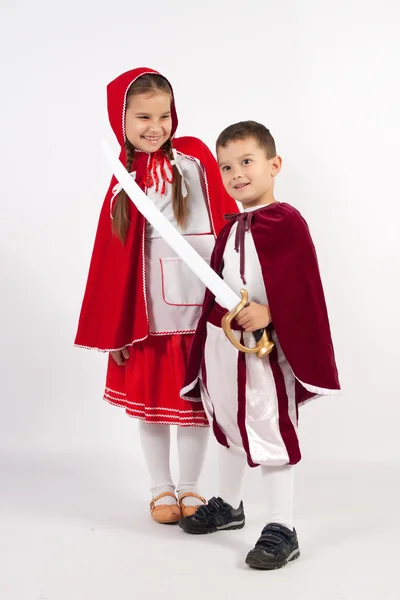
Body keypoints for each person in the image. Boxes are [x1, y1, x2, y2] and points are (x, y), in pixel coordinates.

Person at [74, 68, 238, 524]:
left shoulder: (196, 158)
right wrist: (116, 329)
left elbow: (226, 225)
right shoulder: (122, 180)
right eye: (143, 116)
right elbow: (111, 260)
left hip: (201, 309)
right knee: (152, 407)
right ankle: (160, 488)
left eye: (163, 115)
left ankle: (190, 487)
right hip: (149, 316)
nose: (156, 126)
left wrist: (236, 294)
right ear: (120, 119)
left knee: (194, 409)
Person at [179, 121, 340, 568]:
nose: (236, 174)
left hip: (264, 350)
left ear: (274, 165)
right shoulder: (230, 229)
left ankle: (282, 526)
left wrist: (270, 314)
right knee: (229, 425)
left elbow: (303, 288)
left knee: (269, 428)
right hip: (224, 345)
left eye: (246, 162)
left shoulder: (287, 223)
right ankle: (230, 507)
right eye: (226, 166)